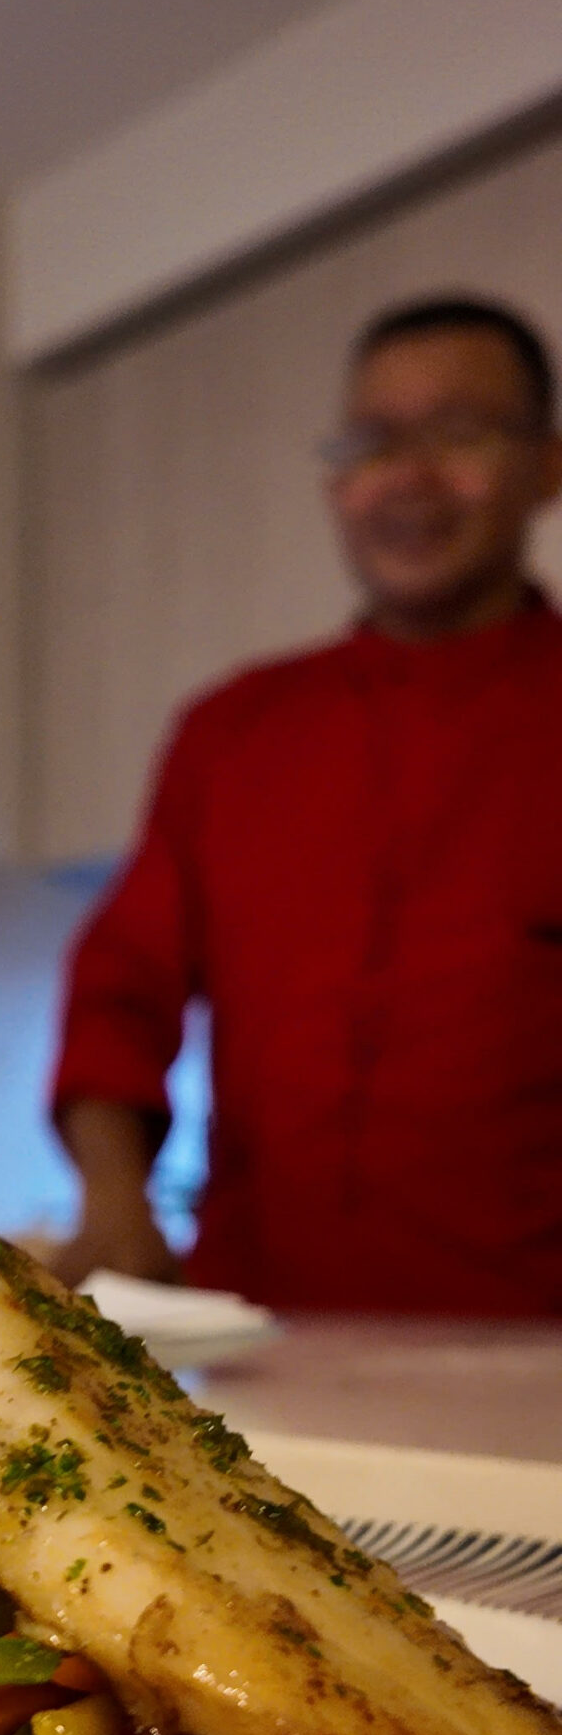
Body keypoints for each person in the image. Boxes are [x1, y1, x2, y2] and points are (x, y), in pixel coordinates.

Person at [48, 295, 562, 1314]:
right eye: (372, 441)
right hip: (260, 1349)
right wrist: (116, 1200)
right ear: (338, 483)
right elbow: (120, 990)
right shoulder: (231, 732)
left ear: (546, 466)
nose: (408, 476)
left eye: (458, 432)